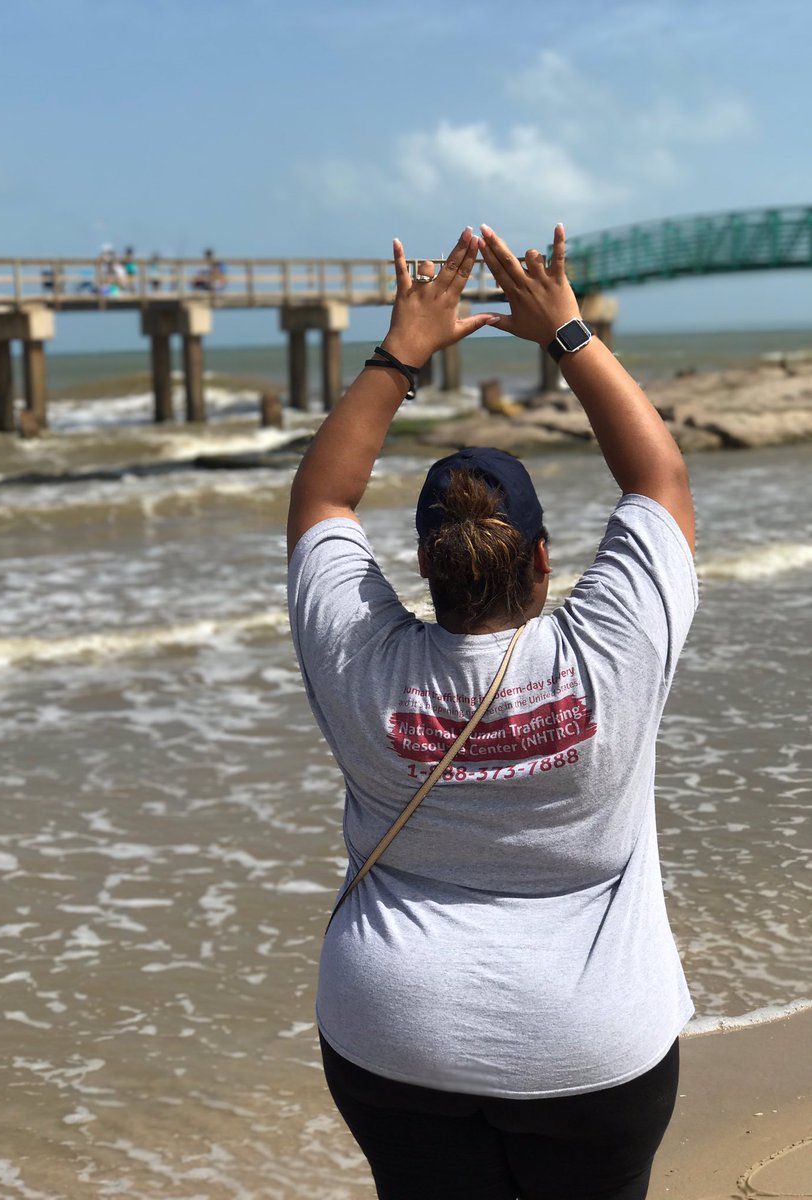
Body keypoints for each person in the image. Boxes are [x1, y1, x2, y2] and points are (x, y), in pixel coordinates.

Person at [286, 224, 697, 1200]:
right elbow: (659, 482)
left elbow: (321, 503)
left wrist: (401, 353)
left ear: (422, 565)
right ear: (546, 558)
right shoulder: (612, 648)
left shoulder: (362, 662)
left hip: (394, 1030)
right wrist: (566, 332)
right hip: (591, 1039)